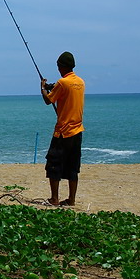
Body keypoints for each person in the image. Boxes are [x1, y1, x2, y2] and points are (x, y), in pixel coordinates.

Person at [41, 51, 85, 206]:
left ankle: (54, 198)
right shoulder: (80, 82)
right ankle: (71, 199)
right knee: (73, 166)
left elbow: (48, 100)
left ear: (61, 66)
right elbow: (66, 94)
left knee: (54, 165)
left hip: (63, 132)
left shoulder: (62, 83)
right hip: (77, 131)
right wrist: (52, 87)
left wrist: (43, 88)